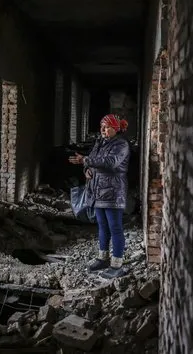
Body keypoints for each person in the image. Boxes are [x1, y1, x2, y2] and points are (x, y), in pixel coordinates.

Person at [68, 114, 130, 278]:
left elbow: (111, 162)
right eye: (102, 126)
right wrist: (87, 169)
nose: (103, 130)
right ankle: (103, 258)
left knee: (115, 228)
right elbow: (93, 162)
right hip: (97, 191)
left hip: (112, 192)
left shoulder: (121, 145)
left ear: (116, 129)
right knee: (102, 226)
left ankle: (117, 264)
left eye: (107, 127)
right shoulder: (100, 143)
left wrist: (86, 160)